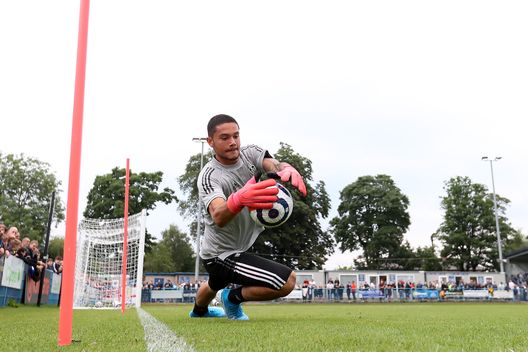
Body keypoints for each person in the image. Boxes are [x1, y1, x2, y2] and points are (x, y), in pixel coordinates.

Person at [189, 114, 307, 320]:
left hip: (228, 249)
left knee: (214, 283)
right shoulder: (209, 176)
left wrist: (285, 168)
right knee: (288, 281)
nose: (233, 142)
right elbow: (218, 215)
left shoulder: (250, 153)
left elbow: (272, 164)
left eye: (236, 136)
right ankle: (232, 298)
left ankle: (198, 312)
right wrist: (239, 199)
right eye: (224, 138)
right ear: (210, 142)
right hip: (221, 254)